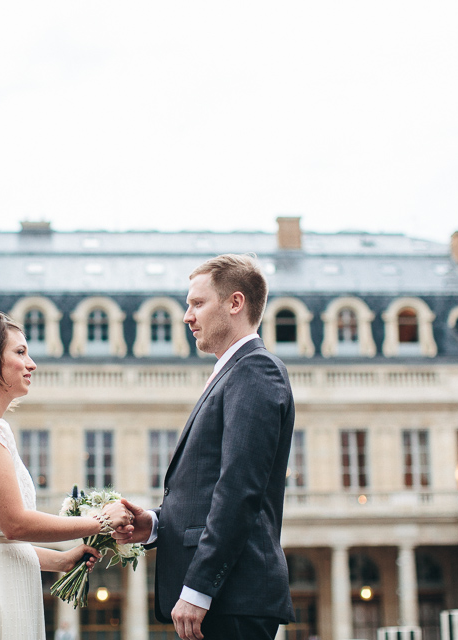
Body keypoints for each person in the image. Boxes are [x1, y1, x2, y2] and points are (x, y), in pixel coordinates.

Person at [114, 254, 297, 640]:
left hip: (229, 596)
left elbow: (239, 491)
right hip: (225, 597)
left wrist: (199, 589)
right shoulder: (234, 372)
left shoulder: (255, 370)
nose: (187, 316)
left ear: (235, 303)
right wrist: (155, 523)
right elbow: (209, 489)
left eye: (197, 303)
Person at [0, 311, 131, 640]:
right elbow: (15, 524)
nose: (32, 364)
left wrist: (60, 561)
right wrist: (100, 522)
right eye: (19, 352)